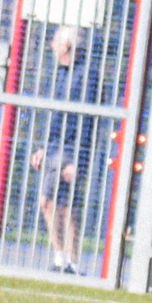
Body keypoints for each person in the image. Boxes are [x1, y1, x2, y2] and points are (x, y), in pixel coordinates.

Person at [31, 23, 97, 276]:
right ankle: (60, 258)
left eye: (55, 40)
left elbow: (87, 122)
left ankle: (73, 261)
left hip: (71, 148)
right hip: (54, 147)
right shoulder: (59, 73)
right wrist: (42, 147)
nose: (51, 45)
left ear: (67, 45)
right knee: (48, 203)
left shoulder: (86, 76)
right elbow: (54, 115)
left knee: (66, 206)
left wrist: (77, 161)